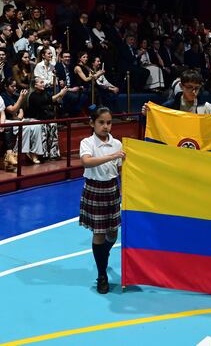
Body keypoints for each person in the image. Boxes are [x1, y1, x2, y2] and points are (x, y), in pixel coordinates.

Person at [79, 106, 125, 294]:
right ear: (92, 123)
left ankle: (102, 256)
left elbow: (121, 170)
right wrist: (112, 156)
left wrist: (125, 192)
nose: (106, 126)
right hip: (94, 190)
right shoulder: (87, 142)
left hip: (112, 190)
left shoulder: (118, 144)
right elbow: (86, 161)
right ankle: (102, 275)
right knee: (98, 234)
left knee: (113, 234)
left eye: (109, 122)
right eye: (101, 122)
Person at [26, 76, 69, 160]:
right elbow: (46, 101)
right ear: (35, 85)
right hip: (37, 120)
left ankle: (53, 154)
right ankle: (43, 154)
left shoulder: (45, 93)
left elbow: (55, 102)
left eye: (43, 82)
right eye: (41, 82)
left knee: (53, 124)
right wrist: (59, 94)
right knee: (44, 126)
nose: (43, 84)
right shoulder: (32, 96)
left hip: (47, 118)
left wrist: (62, 95)